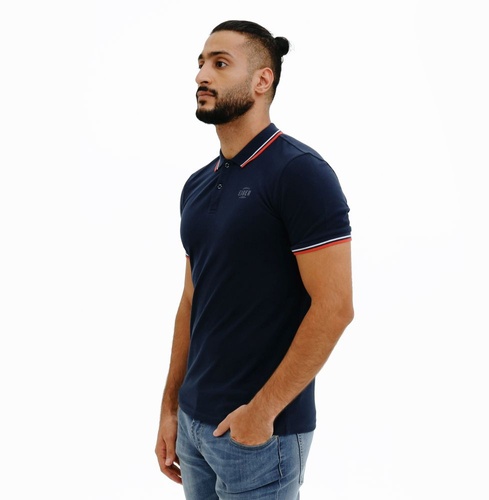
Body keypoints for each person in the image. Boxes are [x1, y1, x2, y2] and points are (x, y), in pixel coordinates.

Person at [155, 20, 354, 499]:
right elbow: (191, 300)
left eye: (220, 63)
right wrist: (171, 408)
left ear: (263, 80)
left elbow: (335, 307)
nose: (202, 75)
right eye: (201, 63)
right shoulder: (197, 184)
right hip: (194, 427)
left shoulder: (300, 173)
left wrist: (262, 412)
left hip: (260, 435)